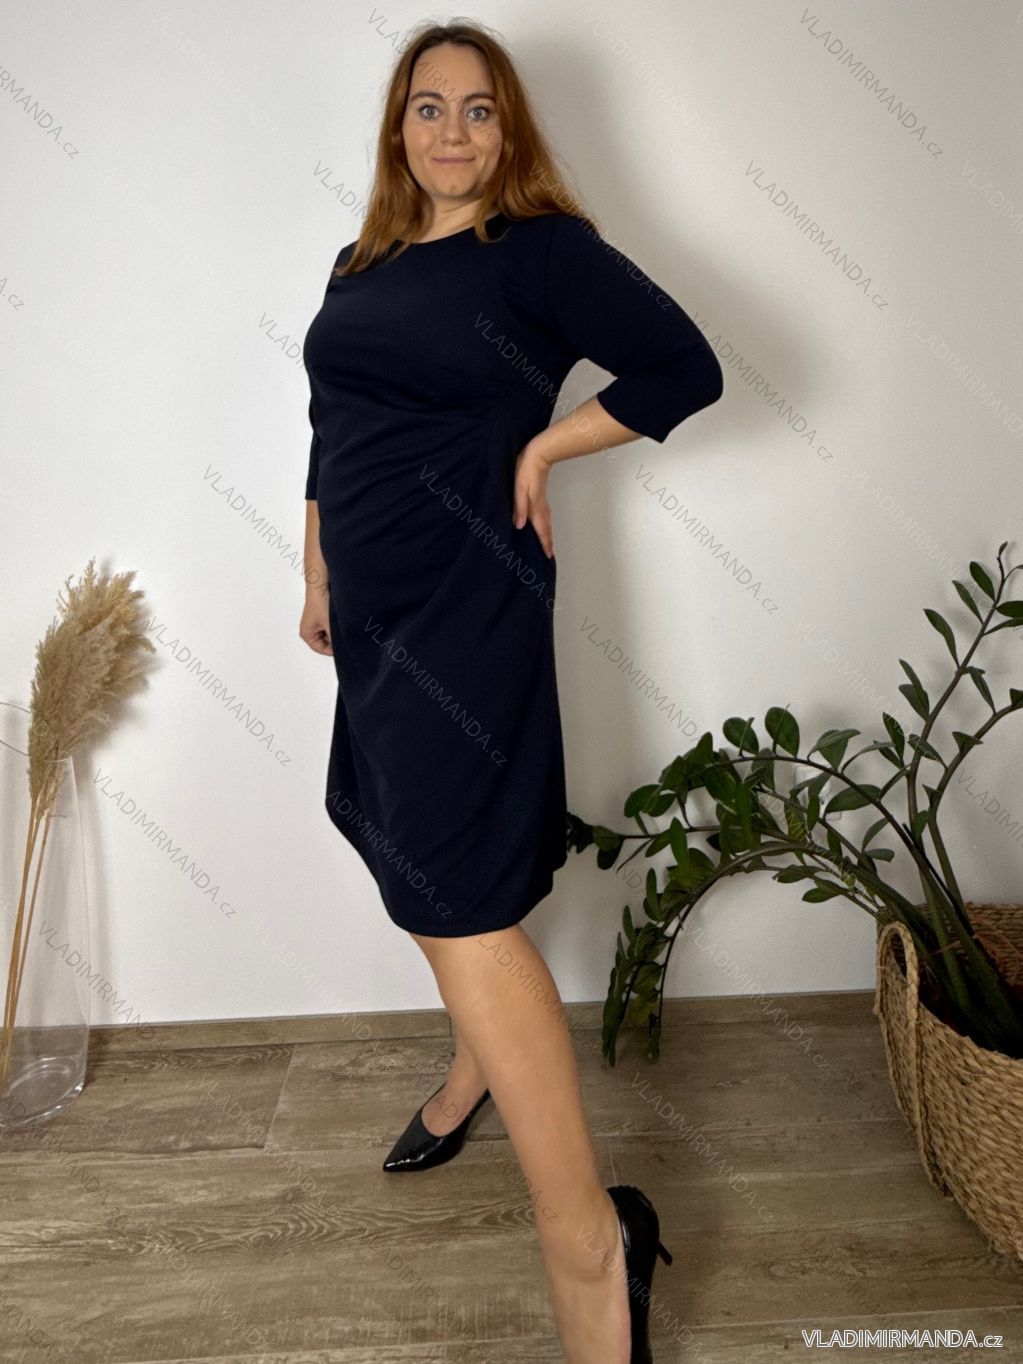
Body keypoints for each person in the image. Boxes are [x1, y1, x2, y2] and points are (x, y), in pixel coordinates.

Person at [299, 19, 723, 1363]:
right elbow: (329, 422)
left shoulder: (536, 252)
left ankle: (594, 1247)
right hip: (374, 614)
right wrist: (315, 567)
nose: (452, 131)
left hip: (468, 609)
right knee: (410, 853)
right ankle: (478, 1061)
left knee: (458, 894)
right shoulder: (360, 262)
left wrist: (547, 446)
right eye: (427, 107)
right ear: (398, 128)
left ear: (510, 128)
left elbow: (687, 368)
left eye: (478, 109)